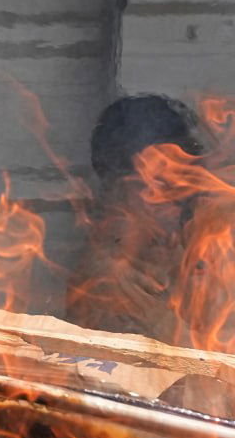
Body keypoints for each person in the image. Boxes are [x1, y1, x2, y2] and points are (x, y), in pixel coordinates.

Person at [65, 94, 206, 339]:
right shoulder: (109, 281)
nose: (176, 202)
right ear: (120, 186)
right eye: (161, 184)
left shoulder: (172, 257)